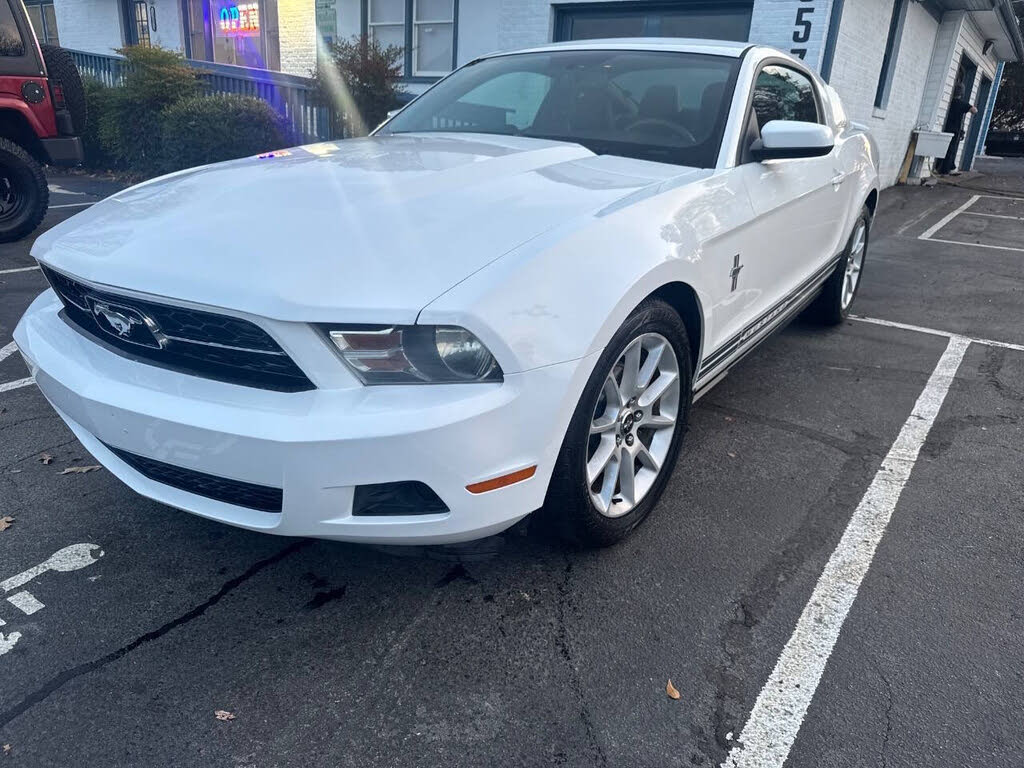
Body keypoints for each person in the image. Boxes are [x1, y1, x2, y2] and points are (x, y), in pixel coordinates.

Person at [937, 82, 978, 176]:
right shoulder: (962, 104)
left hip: (944, 127)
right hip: (954, 129)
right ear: (961, 93)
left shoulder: (949, 102)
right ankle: (945, 170)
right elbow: (974, 111)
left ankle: (950, 167)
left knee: (942, 148)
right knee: (950, 150)